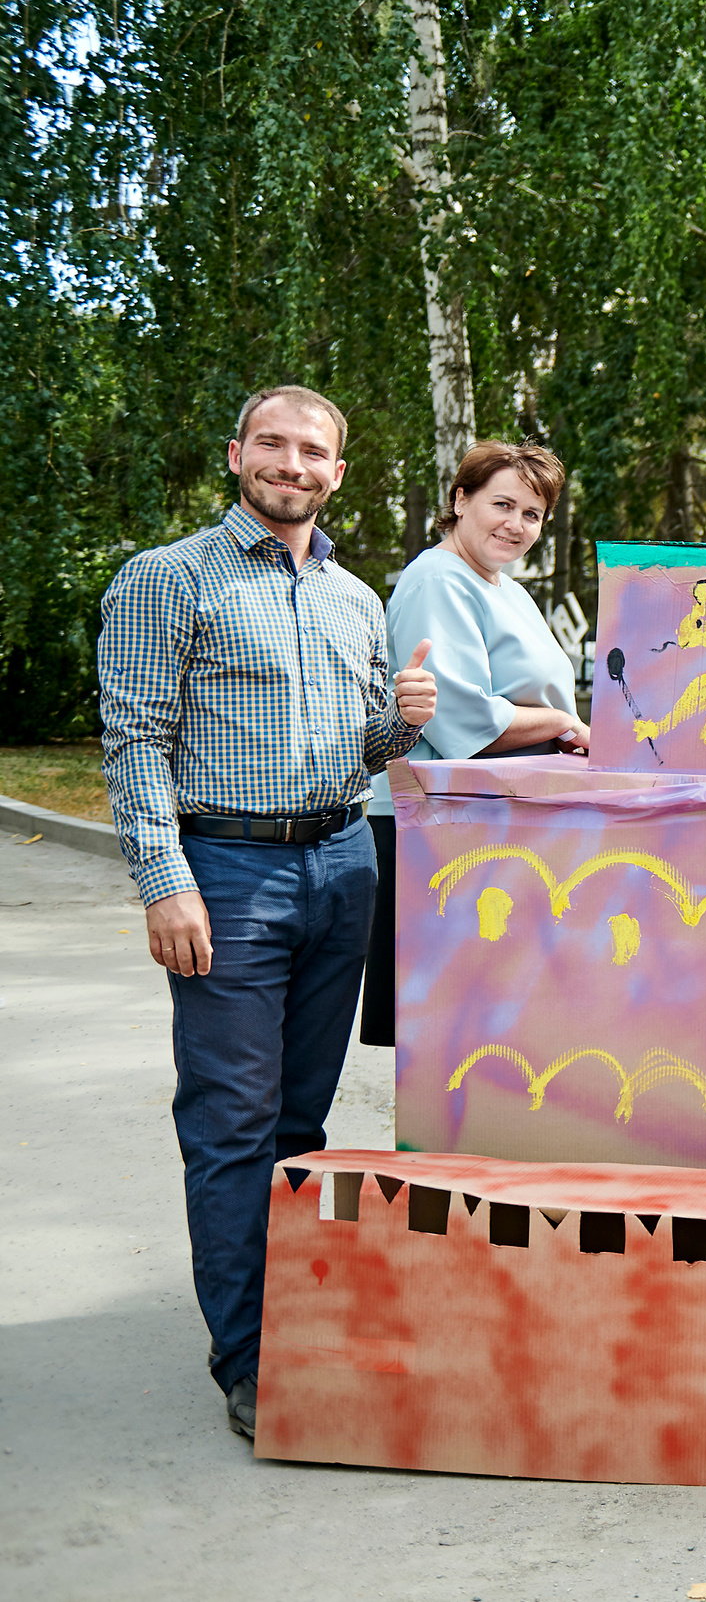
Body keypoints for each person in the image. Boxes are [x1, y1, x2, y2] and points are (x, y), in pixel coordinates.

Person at [97, 385, 437, 1439]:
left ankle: (293, 1321)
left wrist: (402, 724)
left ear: (338, 471)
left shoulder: (356, 598)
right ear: (237, 452)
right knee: (233, 1123)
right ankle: (248, 1361)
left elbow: (360, 746)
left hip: (342, 864)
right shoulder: (167, 578)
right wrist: (165, 880)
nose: (292, 464)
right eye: (274, 444)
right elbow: (135, 738)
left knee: (299, 1122)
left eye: (314, 451)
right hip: (228, 874)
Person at [358, 440, 586, 1048]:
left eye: (532, 514)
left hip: (493, 821)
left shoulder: (506, 588)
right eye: (502, 504)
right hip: (440, 827)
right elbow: (463, 726)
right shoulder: (438, 580)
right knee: (448, 1033)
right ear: (460, 500)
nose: (516, 525)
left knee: (495, 1028)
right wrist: (563, 724)